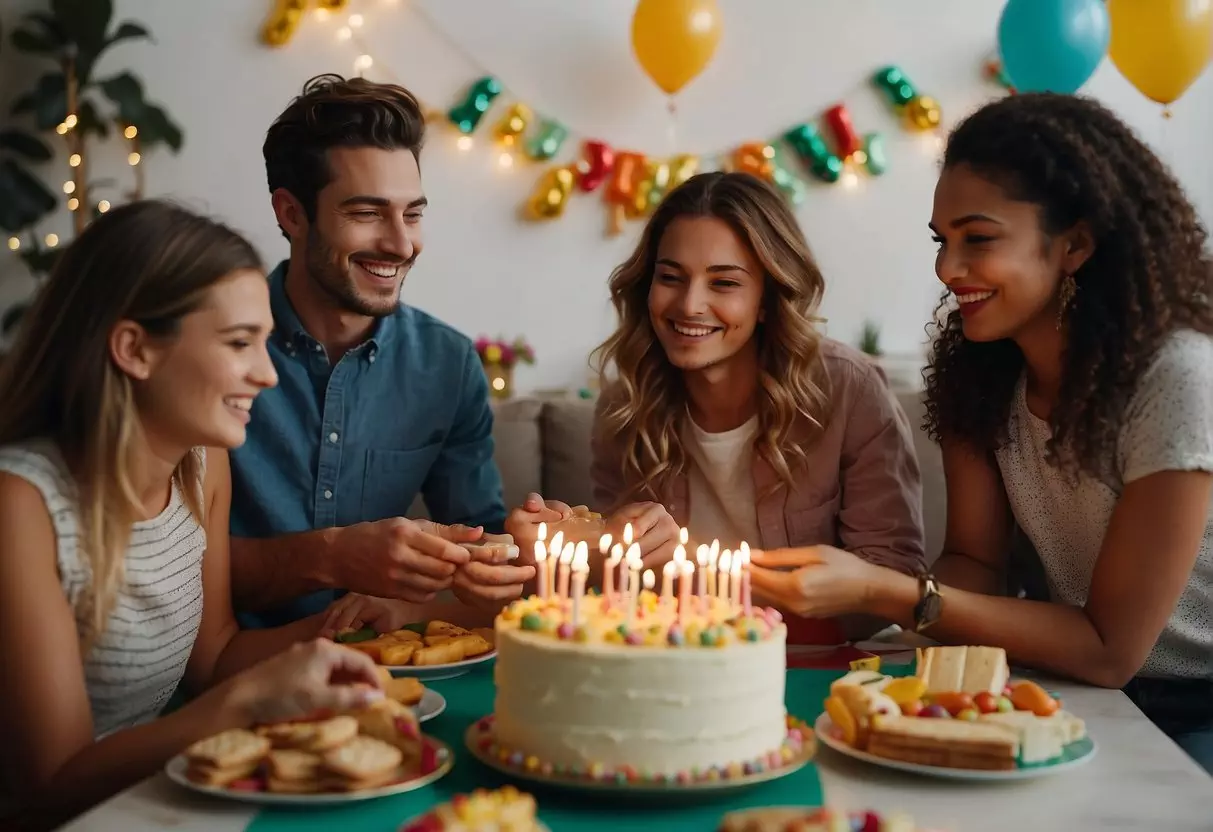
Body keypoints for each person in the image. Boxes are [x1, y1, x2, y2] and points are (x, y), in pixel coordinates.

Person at [747, 93, 1213, 771]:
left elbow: (1111, 648)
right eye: (941, 241)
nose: (946, 270)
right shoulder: (980, 370)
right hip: (1061, 679)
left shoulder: (1175, 378)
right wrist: (892, 648)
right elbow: (973, 562)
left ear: (1074, 244)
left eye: (978, 239)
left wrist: (882, 591)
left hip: (1191, 703)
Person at [0, 201, 387, 829]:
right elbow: (49, 786)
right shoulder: (22, 504)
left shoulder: (202, 462)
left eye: (264, 342)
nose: (265, 374)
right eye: (239, 343)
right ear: (134, 349)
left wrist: (346, 629)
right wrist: (246, 703)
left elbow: (214, 658)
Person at [228, 74, 533, 631]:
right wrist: (332, 556)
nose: (401, 244)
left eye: (412, 214)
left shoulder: (447, 364)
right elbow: (164, 571)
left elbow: (479, 549)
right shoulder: (214, 349)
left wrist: (520, 549)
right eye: (367, 214)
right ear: (292, 214)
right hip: (223, 671)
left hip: (386, 673)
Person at [589, 171, 926, 640]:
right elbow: (613, 588)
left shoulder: (850, 390)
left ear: (767, 298)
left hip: (816, 664)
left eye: (724, 283)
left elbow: (893, 580)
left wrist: (744, 606)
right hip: (674, 663)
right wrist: (598, 543)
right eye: (671, 278)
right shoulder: (626, 403)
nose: (690, 304)